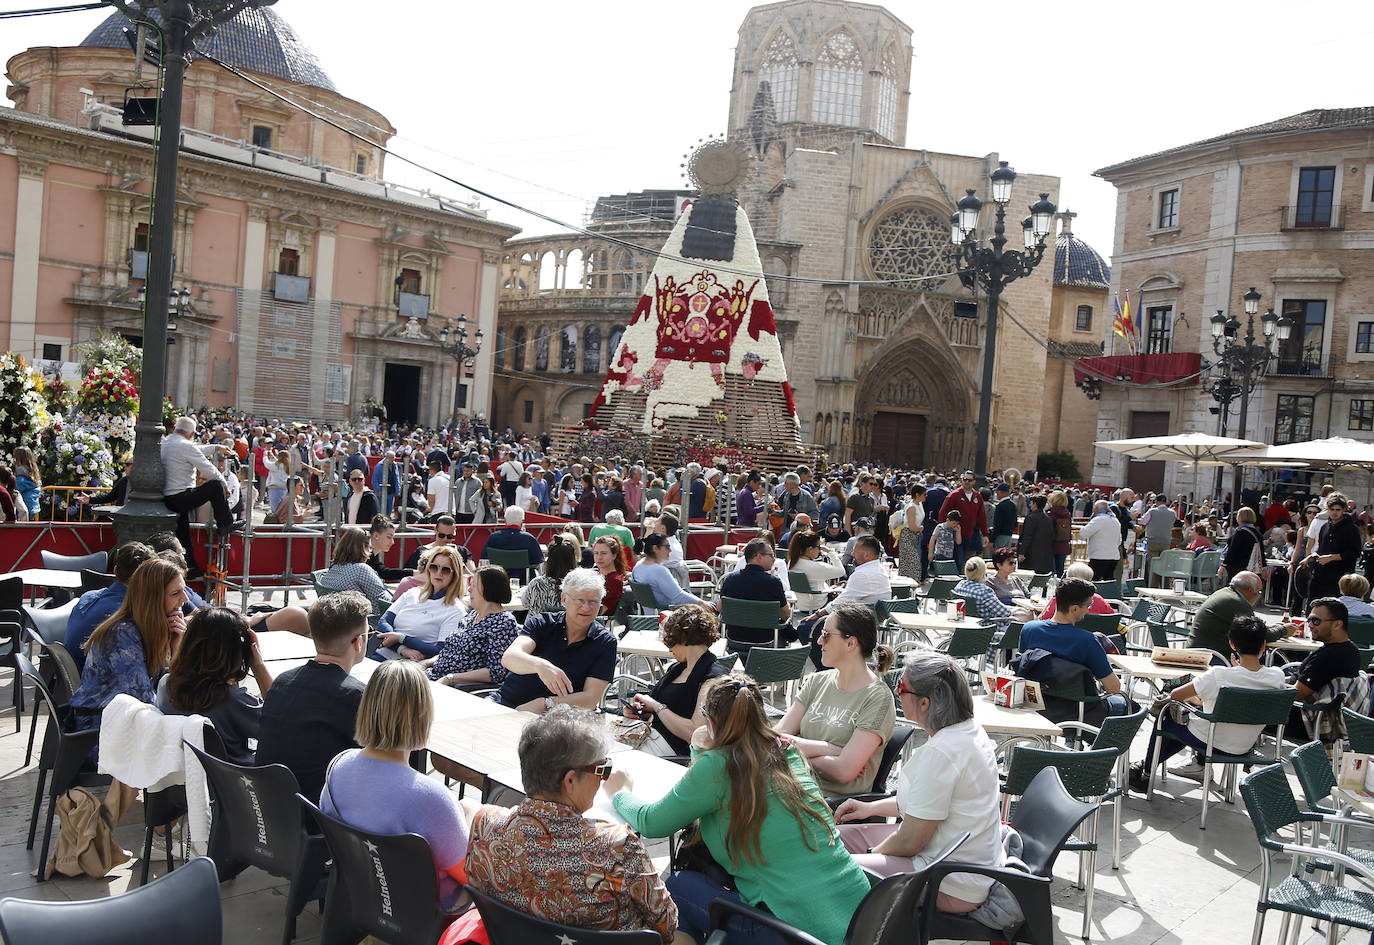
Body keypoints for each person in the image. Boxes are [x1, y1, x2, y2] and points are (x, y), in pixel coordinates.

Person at [610, 674, 871, 945]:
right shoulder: (787, 751)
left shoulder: (718, 766)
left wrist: (619, 792)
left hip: (792, 930)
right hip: (859, 919)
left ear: (710, 721)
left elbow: (652, 823)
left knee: (677, 886)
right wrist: (703, 749)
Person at [466, 706, 682, 943]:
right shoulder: (618, 846)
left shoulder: (484, 825)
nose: (603, 779)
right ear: (569, 781)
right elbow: (667, 926)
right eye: (602, 769)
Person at [835, 652, 1006, 913]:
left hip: (950, 881)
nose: (895, 689)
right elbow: (926, 803)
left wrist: (873, 855)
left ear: (924, 703)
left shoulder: (943, 752)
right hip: (956, 862)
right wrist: (869, 808)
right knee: (831, 840)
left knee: (833, 872)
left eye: (901, 686)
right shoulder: (967, 730)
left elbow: (909, 842)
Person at [321, 660, 469, 910]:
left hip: (362, 896)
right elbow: (470, 875)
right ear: (423, 716)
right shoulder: (431, 798)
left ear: (368, 707)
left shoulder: (338, 768)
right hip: (426, 913)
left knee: (466, 808)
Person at [1128, 615, 1288, 791]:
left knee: (1169, 717)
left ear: (1232, 645)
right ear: (1264, 645)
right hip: (1245, 745)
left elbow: (1175, 694)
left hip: (1211, 740)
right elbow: (1248, 680)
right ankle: (1147, 767)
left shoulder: (1219, 675)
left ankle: (1146, 773)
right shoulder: (1277, 676)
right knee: (1189, 722)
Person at [255, 591, 372, 802]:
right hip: (319, 821)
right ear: (358, 642)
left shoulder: (282, 682)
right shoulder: (358, 697)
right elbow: (376, 769)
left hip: (269, 811)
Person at [778, 600, 896, 795]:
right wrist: (832, 750)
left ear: (851, 643)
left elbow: (843, 772)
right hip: (793, 792)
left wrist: (795, 748)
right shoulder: (816, 681)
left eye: (826, 635)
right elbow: (773, 740)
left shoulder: (877, 698)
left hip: (832, 808)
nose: (819, 641)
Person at [69, 556, 187, 732]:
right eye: (175, 593)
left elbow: (164, 687)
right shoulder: (121, 635)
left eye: (183, 590)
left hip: (124, 723)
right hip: (98, 730)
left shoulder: (153, 629)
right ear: (152, 599)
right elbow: (144, 701)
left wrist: (175, 647)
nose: (185, 599)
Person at [156, 606, 271, 765]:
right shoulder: (233, 700)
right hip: (234, 780)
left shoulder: (165, 684)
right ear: (238, 653)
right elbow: (280, 721)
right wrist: (258, 666)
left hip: (186, 777)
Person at [491, 567, 617, 713]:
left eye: (593, 601)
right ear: (564, 599)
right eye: (580, 600)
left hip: (554, 720)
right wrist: (541, 666)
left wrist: (545, 703)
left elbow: (590, 699)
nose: (586, 607)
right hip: (504, 704)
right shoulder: (542, 623)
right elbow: (509, 657)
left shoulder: (604, 642)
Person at [623, 604, 731, 756]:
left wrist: (656, 706)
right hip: (648, 737)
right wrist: (639, 711)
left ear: (684, 638)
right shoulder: (678, 668)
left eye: (669, 640)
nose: (668, 648)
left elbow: (695, 733)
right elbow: (664, 710)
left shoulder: (713, 678)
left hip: (669, 751)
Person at [1017, 577, 1130, 721]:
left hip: (1037, 708)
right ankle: (1100, 743)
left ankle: (1074, 740)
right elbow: (1113, 688)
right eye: (1089, 605)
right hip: (1079, 711)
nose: (1089, 609)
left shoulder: (1029, 629)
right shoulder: (1087, 641)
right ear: (1075, 609)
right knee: (1129, 705)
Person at [161, 416, 241, 575]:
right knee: (215, 486)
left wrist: (215, 447)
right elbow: (208, 468)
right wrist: (224, 484)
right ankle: (225, 523)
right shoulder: (185, 445)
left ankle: (190, 567)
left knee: (183, 534)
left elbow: (194, 449)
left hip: (168, 498)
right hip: (180, 496)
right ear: (191, 434)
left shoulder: (167, 442)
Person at [65, 540, 155, 673]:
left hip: (71, 680)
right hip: (101, 685)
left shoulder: (87, 597)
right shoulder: (129, 615)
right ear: (147, 580)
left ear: (115, 571)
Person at [424, 566, 520, 688]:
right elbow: (452, 651)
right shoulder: (472, 616)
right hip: (434, 675)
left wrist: (451, 678)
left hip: (454, 687)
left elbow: (495, 672)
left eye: (474, 585)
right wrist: (426, 663)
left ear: (488, 589)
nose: (469, 589)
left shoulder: (503, 622)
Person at [1286, 597, 1362, 742]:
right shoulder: (1351, 650)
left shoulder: (1328, 657)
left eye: (1316, 621)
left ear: (1337, 624)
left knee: (1244, 704)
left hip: (1305, 721)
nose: (1310, 625)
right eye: (1308, 620)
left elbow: (1296, 693)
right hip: (1322, 717)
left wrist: (1264, 683)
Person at [376, 545, 468, 659]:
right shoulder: (412, 593)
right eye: (434, 567)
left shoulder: (456, 609)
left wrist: (402, 638)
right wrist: (402, 649)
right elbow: (382, 623)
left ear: (455, 575)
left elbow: (441, 651)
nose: (438, 573)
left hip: (407, 667)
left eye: (445, 569)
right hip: (381, 653)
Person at [1186, 571, 1292, 660]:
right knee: (1268, 660)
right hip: (1212, 658)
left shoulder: (1224, 593)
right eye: (1259, 592)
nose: (1260, 595)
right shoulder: (1238, 603)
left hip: (1199, 652)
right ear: (1250, 590)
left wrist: (1270, 628)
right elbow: (1259, 636)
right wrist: (1283, 630)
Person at [719, 538, 793, 650]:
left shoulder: (731, 579)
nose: (774, 559)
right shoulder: (774, 582)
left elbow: (720, 608)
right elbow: (785, 614)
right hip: (765, 641)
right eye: (771, 555)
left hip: (734, 639)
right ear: (759, 556)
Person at [1305, 493, 1361, 599]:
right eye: (1332, 509)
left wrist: (1331, 558)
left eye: (1338, 510)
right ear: (1328, 509)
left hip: (1340, 578)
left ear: (1344, 510)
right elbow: (1321, 549)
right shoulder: (1325, 527)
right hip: (1320, 576)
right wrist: (1310, 557)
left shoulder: (1351, 529)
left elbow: (1355, 552)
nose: (1334, 512)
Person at [633, 533, 709, 610]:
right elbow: (678, 597)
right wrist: (702, 602)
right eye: (667, 547)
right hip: (669, 614)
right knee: (717, 605)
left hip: (653, 613)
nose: (670, 550)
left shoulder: (639, 565)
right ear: (655, 548)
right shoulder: (659, 570)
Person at [477, 506, 544, 583]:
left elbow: (483, 559)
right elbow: (539, 562)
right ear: (522, 522)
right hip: (524, 582)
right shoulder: (529, 539)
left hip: (497, 582)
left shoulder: (493, 538)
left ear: (505, 520)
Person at [938, 471, 989, 569]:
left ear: (974, 482)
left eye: (969, 480)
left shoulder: (977, 496)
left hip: (969, 535)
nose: (967, 482)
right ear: (961, 480)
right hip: (954, 534)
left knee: (967, 564)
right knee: (956, 561)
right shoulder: (954, 495)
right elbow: (943, 513)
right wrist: (944, 529)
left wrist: (985, 534)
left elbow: (982, 516)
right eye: (965, 479)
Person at [786, 530, 846, 613]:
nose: (820, 550)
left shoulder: (791, 563)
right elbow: (841, 571)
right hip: (816, 605)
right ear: (810, 549)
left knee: (836, 586)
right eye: (819, 547)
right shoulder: (817, 567)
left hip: (800, 604)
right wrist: (830, 552)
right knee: (843, 587)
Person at [954, 556, 1028, 623]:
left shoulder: (959, 586)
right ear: (983, 573)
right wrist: (1019, 610)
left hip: (967, 626)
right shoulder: (984, 591)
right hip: (989, 630)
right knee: (1027, 617)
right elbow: (1004, 612)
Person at [1037, 562, 1118, 620]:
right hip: (1093, 640)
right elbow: (1113, 619)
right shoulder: (1098, 599)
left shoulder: (1060, 599)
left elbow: (1043, 619)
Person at [523, 534, 578, 617]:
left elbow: (525, 604)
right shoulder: (579, 587)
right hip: (569, 629)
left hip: (536, 628)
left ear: (549, 561)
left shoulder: (536, 583)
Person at [1138, 493, 1178, 585]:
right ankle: (1165, 585)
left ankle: (1153, 586)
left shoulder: (1152, 511)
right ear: (1166, 502)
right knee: (1164, 565)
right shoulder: (1172, 512)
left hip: (1153, 541)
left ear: (1157, 502)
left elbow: (1142, 521)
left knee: (1153, 566)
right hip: (1166, 542)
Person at [1080, 500, 1124, 581]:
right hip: (1113, 557)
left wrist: (1082, 527)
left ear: (1096, 509)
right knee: (1108, 582)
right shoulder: (1115, 520)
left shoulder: (1098, 520)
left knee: (1093, 581)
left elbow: (1083, 534)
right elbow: (1119, 541)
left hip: (1099, 556)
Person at [591, 534, 633, 617]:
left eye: (603, 553)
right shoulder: (598, 575)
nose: (599, 557)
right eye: (596, 553)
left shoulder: (614, 580)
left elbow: (601, 611)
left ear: (614, 555)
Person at [1017, 494, 1055, 575]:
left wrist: (1022, 552)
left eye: (1031, 503)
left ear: (1035, 504)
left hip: (1031, 555)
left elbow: (1027, 536)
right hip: (1045, 555)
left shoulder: (1031, 517)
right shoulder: (1048, 519)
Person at [366, 514, 409, 581]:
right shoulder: (363, 552)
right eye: (389, 537)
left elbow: (383, 571)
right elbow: (384, 572)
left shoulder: (371, 552)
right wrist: (414, 573)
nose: (392, 542)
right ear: (376, 535)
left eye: (392, 538)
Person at [897, 485, 926, 580]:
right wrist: (921, 528)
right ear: (917, 495)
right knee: (912, 563)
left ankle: (912, 587)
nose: (925, 496)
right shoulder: (911, 507)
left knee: (913, 563)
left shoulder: (919, 504)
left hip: (915, 537)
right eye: (924, 494)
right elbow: (912, 526)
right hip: (907, 536)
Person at [1047, 490, 1074, 577]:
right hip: (1064, 545)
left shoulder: (1050, 514)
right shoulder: (1067, 514)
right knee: (1060, 572)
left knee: (1050, 573)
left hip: (1051, 545)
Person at [990, 481, 1018, 551]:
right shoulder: (1013, 505)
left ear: (1003, 492)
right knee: (1005, 559)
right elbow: (1015, 523)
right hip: (1009, 536)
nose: (996, 493)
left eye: (998, 491)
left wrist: (992, 540)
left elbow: (997, 524)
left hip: (1000, 536)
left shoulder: (1000, 506)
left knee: (998, 558)